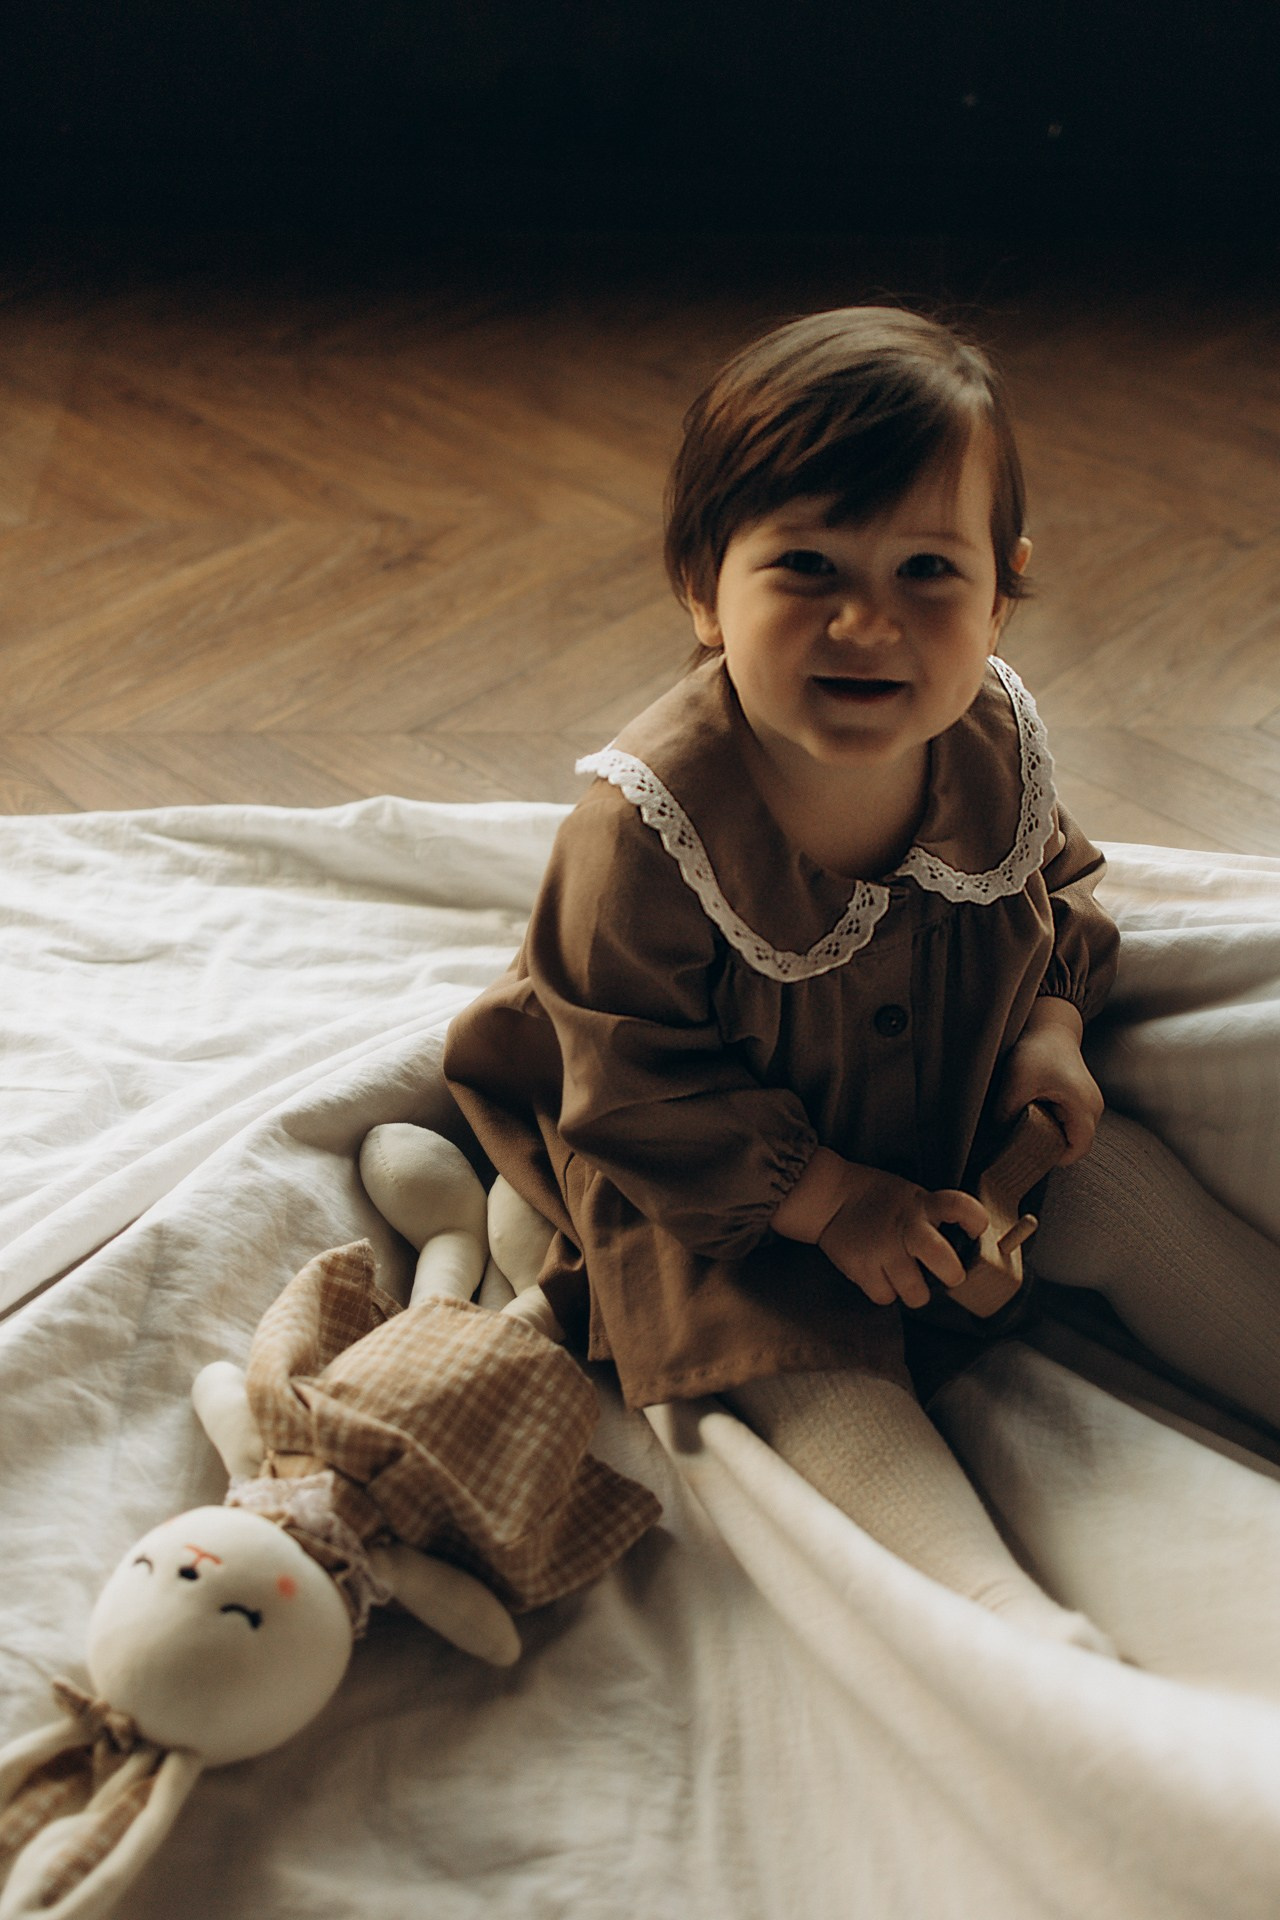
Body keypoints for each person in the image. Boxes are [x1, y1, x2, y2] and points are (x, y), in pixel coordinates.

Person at [441, 306, 1279, 1653]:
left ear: (1003, 593)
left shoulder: (993, 740)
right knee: (798, 1364)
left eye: (928, 572)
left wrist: (1052, 1030)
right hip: (733, 1189)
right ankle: (1008, 1630)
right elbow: (634, 1088)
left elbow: (1053, 901)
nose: (866, 619)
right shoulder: (647, 830)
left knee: (1132, 1194)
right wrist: (829, 1201)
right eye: (808, 564)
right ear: (705, 589)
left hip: (948, 1112)